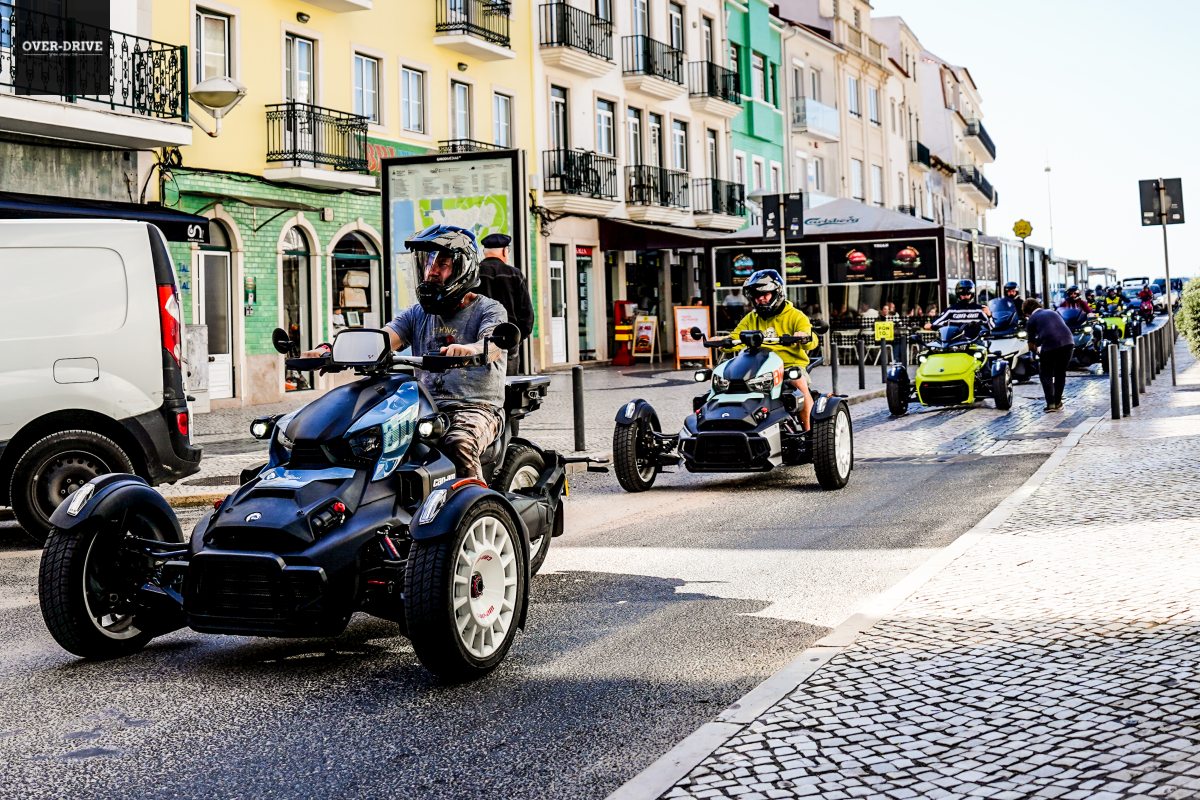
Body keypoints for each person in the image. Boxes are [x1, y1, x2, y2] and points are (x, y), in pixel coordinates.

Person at [309, 224, 507, 481]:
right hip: (423, 405)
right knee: (367, 438)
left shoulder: (489, 309)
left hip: (476, 407)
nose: (432, 272)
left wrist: (470, 349)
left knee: (458, 443)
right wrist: (330, 351)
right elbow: (381, 340)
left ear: (462, 268)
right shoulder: (417, 313)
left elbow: (493, 344)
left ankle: (479, 501)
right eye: (428, 264)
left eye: (442, 265)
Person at [727, 269, 818, 431]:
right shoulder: (751, 318)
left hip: (789, 367)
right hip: (757, 368)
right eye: (756, 295)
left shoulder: (796, 316)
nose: (760, 298)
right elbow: (735, 338)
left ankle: (810, 433)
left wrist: (804, 336)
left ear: (777, 293)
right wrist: (721, 341)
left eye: (765, 294)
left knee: (799, 384)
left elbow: (812, 340)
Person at [475, 232, 534, 376]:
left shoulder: (474, 274)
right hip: (508, 340)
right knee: (508, 384)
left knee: (480, 384)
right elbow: (527, 315)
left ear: (484, 252)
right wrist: (516, 338)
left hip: (478, 342)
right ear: (504, 251)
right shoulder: (514, 274)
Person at [1023, 297, 1074, 412]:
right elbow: (1053, 329)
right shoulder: (1052, 312)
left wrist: (1037, 353)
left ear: (1027, 312)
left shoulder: (1031, 319)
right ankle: (1058, 402)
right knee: (1060, 373)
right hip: (1068, 342)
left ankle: (1050, 403)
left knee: (1045, 373)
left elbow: (1031, 344)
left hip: (1050, 345)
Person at [926, 280, 992, 336]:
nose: (965, 296)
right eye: (963, 294)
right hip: (957, 343)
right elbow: (935, 323)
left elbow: (991, 327)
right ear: (958, 294)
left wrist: (989, 315)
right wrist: (932, 326)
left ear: (972, 294)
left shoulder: (980, 310)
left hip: (975, 342)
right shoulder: (951, 310)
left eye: (968, 294)